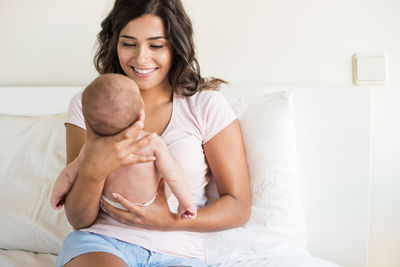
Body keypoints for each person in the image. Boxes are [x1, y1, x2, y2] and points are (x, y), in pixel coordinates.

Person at [57, 0, 251, 266]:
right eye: (128, 43)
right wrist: (93, 170)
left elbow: (238, 207)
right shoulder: (90, 105)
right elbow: (78, 218)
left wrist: (167, 221)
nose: (141, 58)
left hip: (180, 251)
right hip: (103, 242)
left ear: (176, 45)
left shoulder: (204, 105)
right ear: (114, 43)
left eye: (156, 45)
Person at [50, 73, 197, 219]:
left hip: (110, 203)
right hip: (145, 202)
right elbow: (174, 177)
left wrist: (57, 197)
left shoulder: (90, 149)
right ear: (141, 116)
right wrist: (186, 204)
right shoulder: (151, 142)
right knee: (173, 166)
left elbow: (68, 175)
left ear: (87, 123)